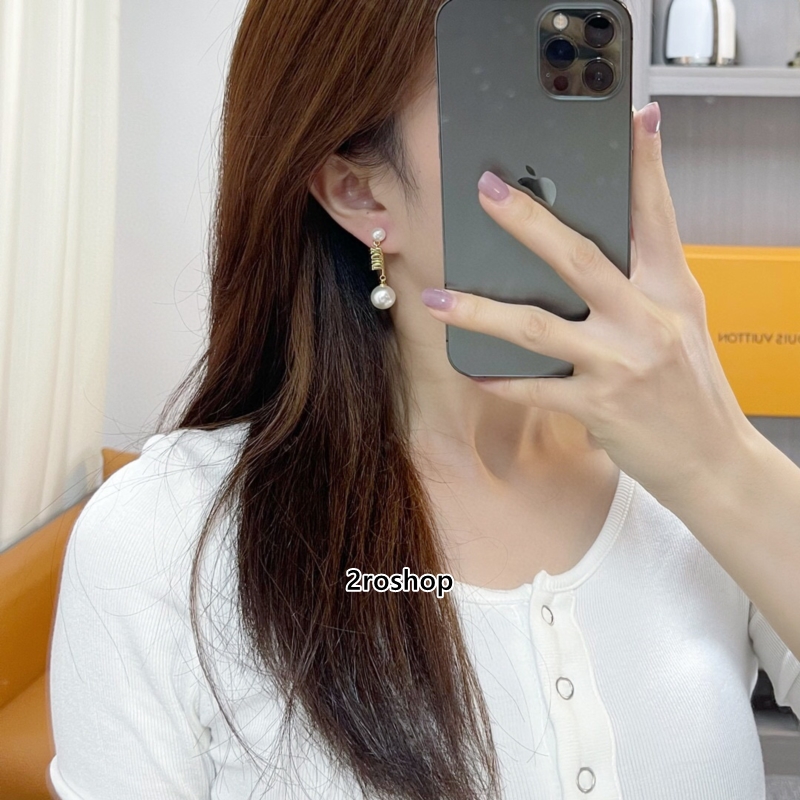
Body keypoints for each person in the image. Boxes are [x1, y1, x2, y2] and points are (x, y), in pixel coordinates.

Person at [47, 1, 800, 798]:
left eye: (579, 82)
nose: (577, 149)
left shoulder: (695, 482)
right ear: (358, 194)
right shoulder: (166, 541)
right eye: (510, 93)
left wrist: (720, 459)